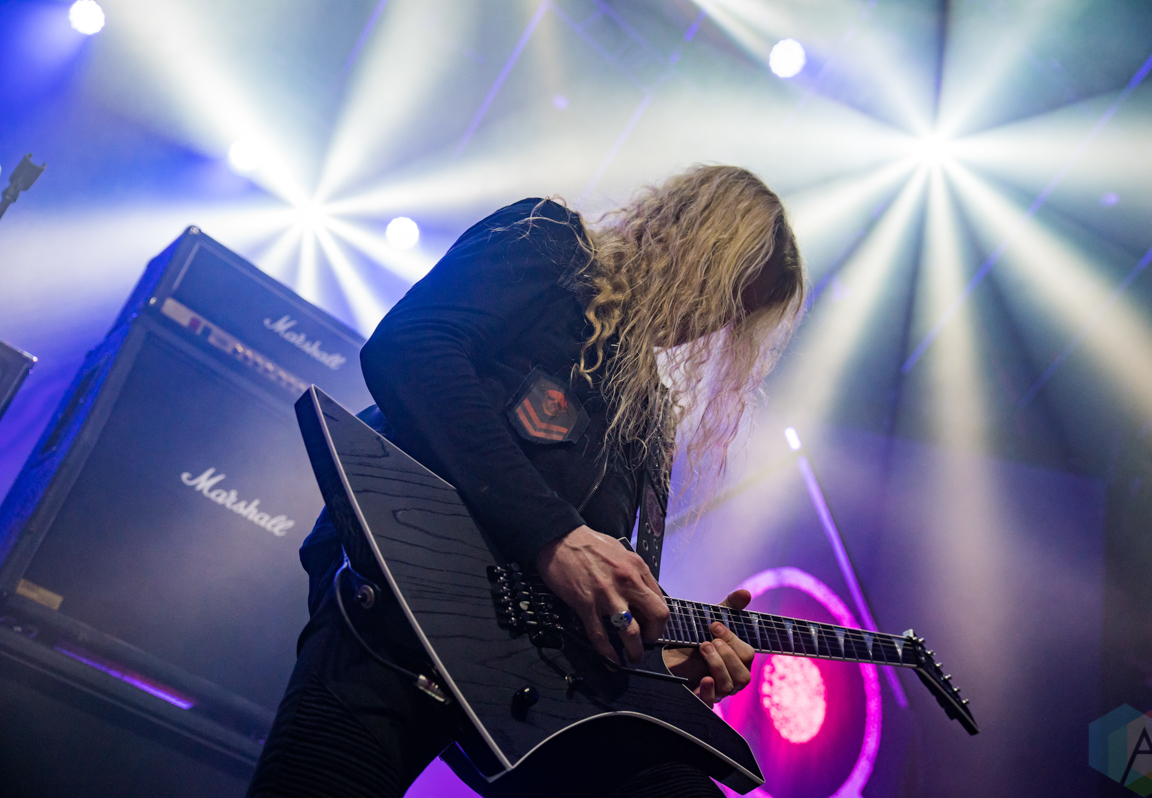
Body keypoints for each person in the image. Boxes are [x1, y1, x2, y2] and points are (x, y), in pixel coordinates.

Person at [247, 164, 806, 798]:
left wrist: (654, 656)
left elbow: (588, 586)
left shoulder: (650, 416)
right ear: (691, 236)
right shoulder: (549, 243)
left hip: (533, 686)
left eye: (737, 313)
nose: (714, 321)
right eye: (726, 290)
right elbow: (410, 346)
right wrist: (555, 535)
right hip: (401, 608)